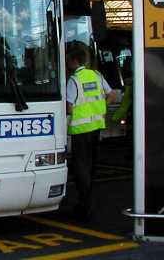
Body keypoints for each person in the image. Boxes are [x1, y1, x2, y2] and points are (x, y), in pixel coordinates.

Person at [66, 45, 117, 220]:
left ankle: (85, 204)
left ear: (74, 61)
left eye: (68, 60)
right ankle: (88, 201)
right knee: (91, 165)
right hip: (96, 128)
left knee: (80, 168)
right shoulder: (96, 75)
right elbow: (112, 95)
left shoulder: (74, 80)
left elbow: (69, 106)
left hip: (80, 130)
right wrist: (100, 109)